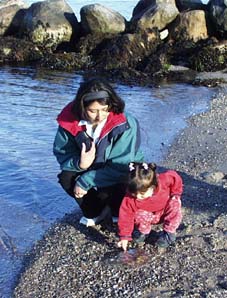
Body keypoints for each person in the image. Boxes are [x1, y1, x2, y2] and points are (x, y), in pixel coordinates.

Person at [53, 77, 144, 227]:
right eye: (92, 111)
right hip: (91, 165)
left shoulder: (126, 124)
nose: (99, 116)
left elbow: (121, 165)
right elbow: (62, 152)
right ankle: (95, 211)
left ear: (111, 104)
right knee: (66, 178)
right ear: (82, 107)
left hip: (120, 169)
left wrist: (85, 181)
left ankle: (116, 210)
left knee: (115, 189)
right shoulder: (69, 121)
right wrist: (80, 164)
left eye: (104, 109)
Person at [117, 162, 183, 251]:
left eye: (142, 195)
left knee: (175, 202)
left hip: (165, 212)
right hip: (147, 216)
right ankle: (143, 232)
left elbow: (174, 177)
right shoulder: (130, 198)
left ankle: (169, 233)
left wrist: (176, 192)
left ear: (152, 186)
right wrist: (124, 236)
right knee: (137, 213)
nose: (137, 197)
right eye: (134, 193)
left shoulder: (163, 180)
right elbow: (125, 216)